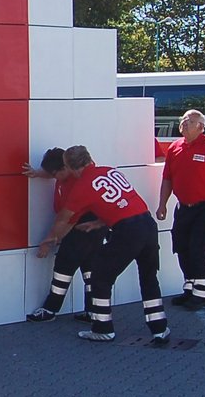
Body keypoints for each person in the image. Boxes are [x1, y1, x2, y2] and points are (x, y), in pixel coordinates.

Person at [37, 145, 169, 345]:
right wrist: (100, 222)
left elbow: (64, 218)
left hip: (127, 231)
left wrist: (50, 239)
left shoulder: (83, 185)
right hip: (147, 224)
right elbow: (122, 203)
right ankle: (160, 328)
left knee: (100, 277)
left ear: (71, 167)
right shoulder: (110, 171)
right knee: (148, 277)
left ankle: (102, 328)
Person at [156, 110, 205, 308]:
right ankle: (189, 288)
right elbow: (167, 179)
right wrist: (162, 204)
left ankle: (202, 293)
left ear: (200, 126)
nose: (183, 124)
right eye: (182, 120)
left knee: (199, 249)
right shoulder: (175, 147)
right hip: (184, 208)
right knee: (182, 248)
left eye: (188, 121)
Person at [21, 147, 103, 323]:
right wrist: (37, 174)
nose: (54, 178)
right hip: (94, 224)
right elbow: (55, 173)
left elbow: (68, 219)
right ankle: (93, 310)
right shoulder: (74, 173)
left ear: (67, 168)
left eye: (55, 174)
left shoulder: (78, 183)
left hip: (83, 224)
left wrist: (50, 240)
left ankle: (50, 309)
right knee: (90, 269)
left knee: (64, 267)